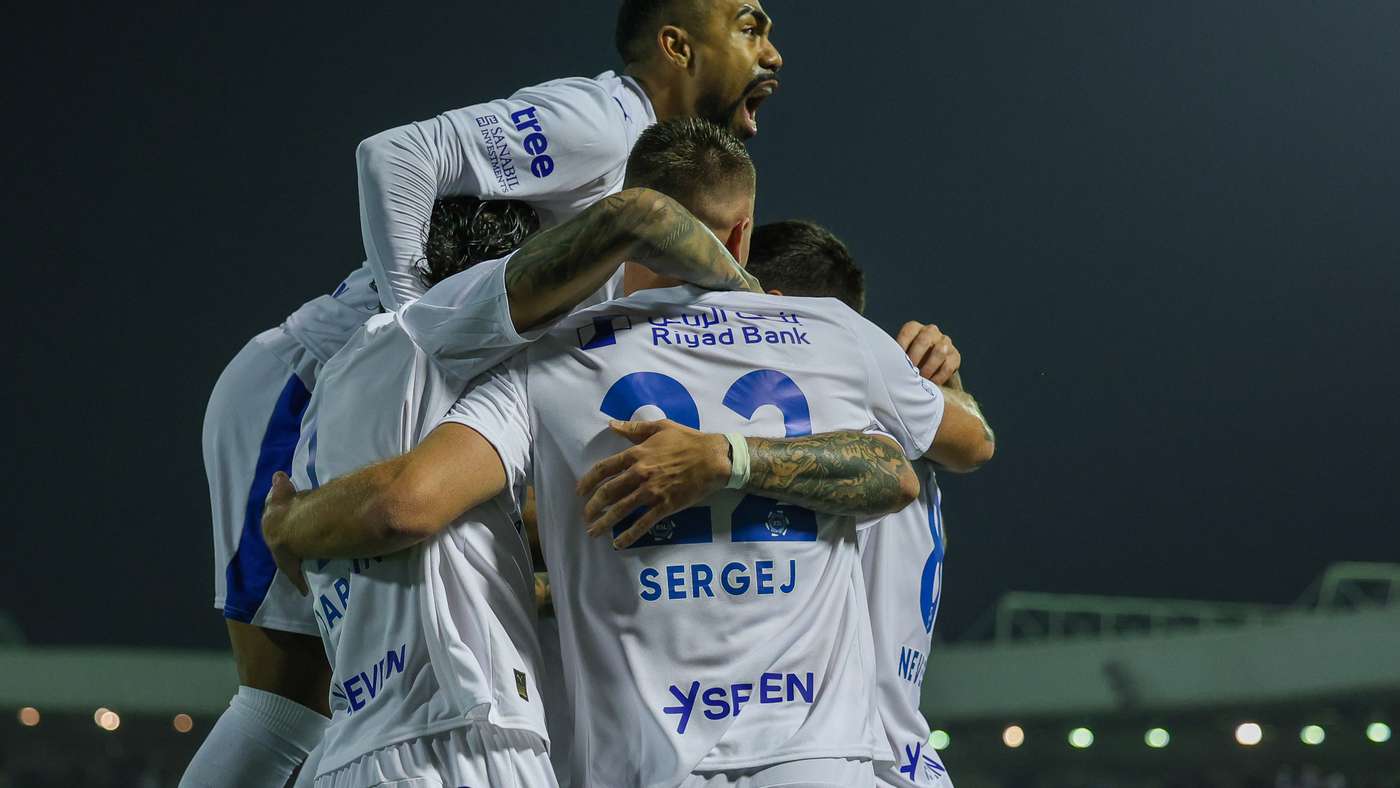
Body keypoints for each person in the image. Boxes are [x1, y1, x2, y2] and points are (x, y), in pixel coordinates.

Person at [264, 118, 995, 788]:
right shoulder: (827, 332)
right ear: (740, 233)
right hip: (828, 759)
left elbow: (414, 504)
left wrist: (293, 525)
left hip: (632, 765)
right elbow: (940, 453)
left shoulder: (543, 362)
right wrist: (756, 401)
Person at [187, 198, 542, 787]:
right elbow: (385, 159)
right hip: (307, 386)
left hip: (376, 377)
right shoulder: (597, 143)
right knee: (287, 705)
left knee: (357, 702)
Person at [745, 220, 997, 788]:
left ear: (777, 310)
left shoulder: (818, 410)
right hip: (904, 758)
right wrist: (951, 386)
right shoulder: (895, 407)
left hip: (845, 757)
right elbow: (977, 441)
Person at [357, 0, 784, 315]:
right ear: (678, 48)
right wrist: (409, 330)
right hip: (320, 374)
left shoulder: (662, 161)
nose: (773, 55)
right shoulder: (598, 126)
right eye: (750, 30)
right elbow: (399, 154)